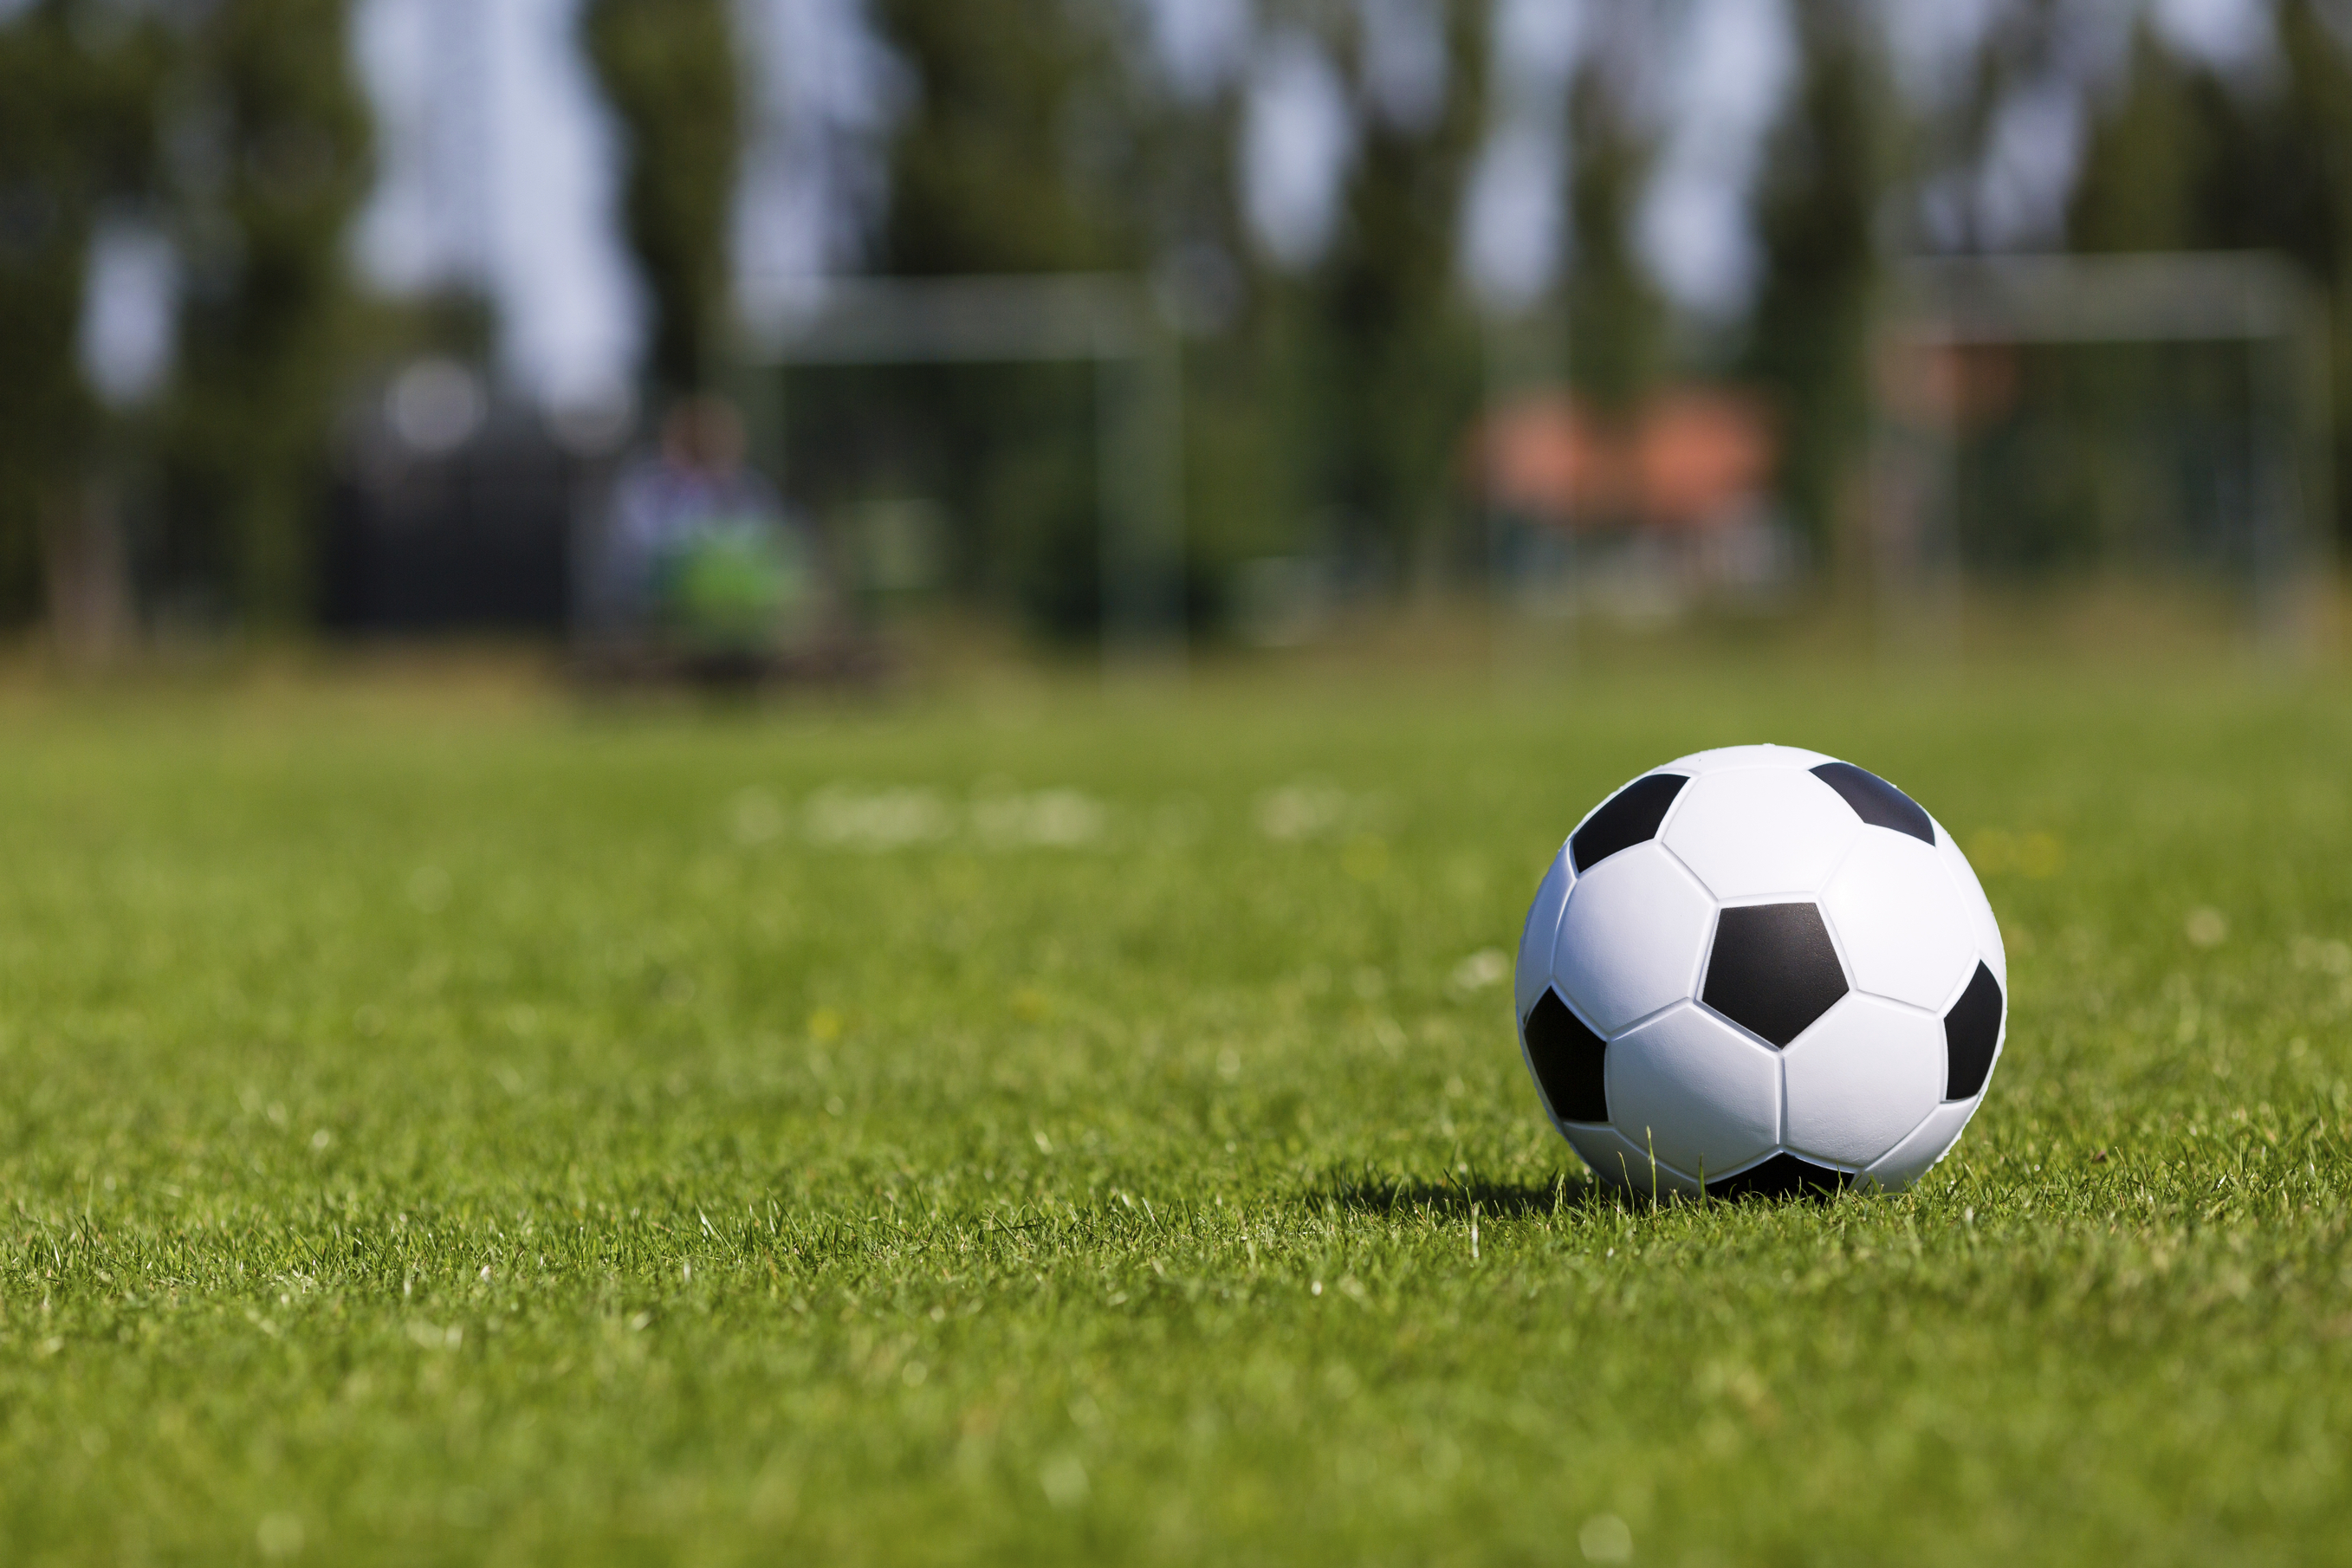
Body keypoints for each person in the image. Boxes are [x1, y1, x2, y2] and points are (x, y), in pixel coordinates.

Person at [589, 396, 821, 661]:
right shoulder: (649, 486)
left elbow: (772, 538)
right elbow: (635, 549)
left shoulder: (748, 488)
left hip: (739, 601)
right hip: (657, 595)